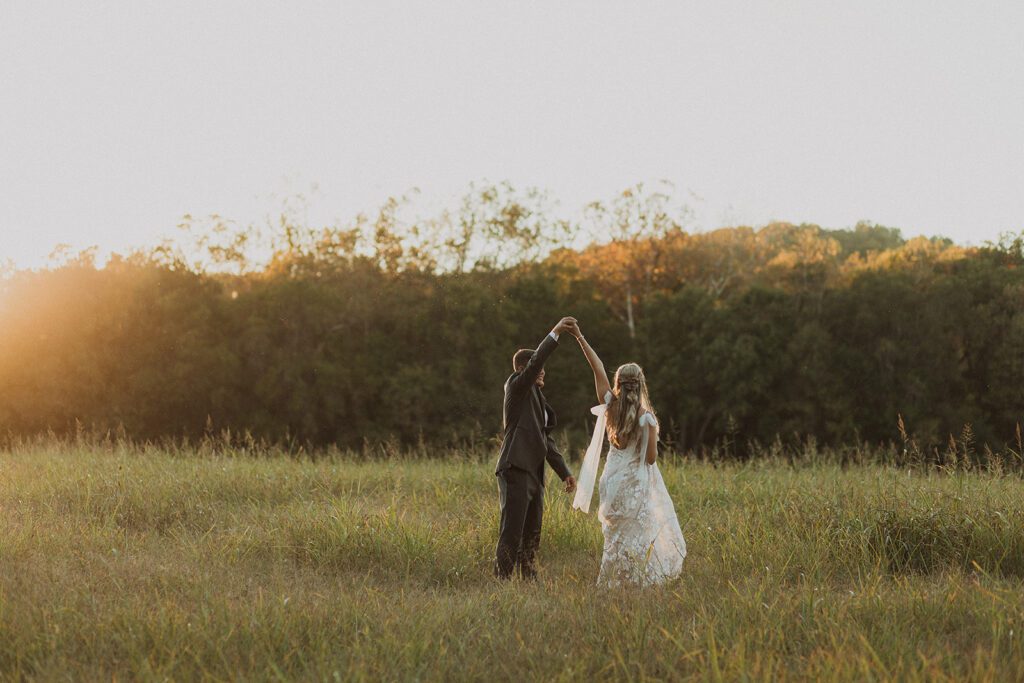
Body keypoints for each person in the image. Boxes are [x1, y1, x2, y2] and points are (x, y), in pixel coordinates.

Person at [570, 323, 686, 586]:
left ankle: (612, 582)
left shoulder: (610, 405)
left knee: (614, 539)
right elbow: (650, 459)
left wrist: (579, 336)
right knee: (638, 537)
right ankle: (635, 584)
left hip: (611, 482)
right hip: (634, 485)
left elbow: (597, 367)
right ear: (641, 384)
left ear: (618, 383)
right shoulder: (647, 419)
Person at [493, 317, 578, 580]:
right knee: (512, 529)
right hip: (515, 467)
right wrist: (555, 332)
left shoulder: (539, 401)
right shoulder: (516, 386)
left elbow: (546, 442)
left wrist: (564, 472)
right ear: (523, 369)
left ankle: (529, 579)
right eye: (538, 368)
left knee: (532, 531)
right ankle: (501, 580)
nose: (543, 372)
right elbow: (534, 365)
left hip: (535, 473)